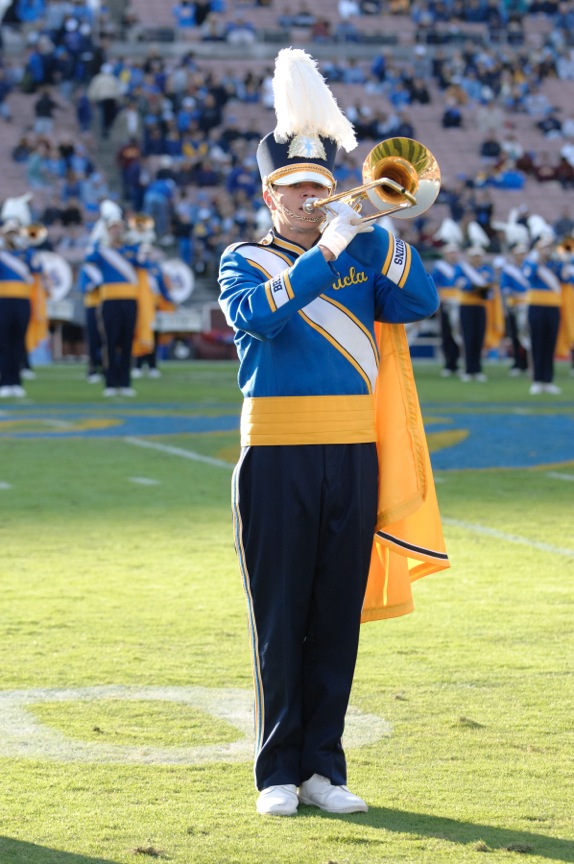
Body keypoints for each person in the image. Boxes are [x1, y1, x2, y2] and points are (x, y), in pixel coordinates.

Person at [218, 48, 449, 819]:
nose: (312, 200)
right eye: (296, 191)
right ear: (269, 195)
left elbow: (423, 302)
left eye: (320, 188)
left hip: (353, 455)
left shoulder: (356, 251)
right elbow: (260, 318)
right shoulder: (242, 258)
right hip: (277, 457)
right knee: (281, 617)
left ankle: (324, 768)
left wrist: (379, 231)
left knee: (334, 616)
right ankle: (276, 771)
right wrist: (328, 249)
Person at [523, 235, 563, 395]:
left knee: (550, 343)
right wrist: (537, 262)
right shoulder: (531, 263)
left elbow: (566, 279)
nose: (547, 250)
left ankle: (548, 380)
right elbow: (527, 276)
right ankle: (537, 380)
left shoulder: (556, 263)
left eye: (549, 247)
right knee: (537, 342)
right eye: (544, 247)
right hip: (536, 306)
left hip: (553, 307)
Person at [454, 245, 495, 382]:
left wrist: (473, 285)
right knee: (468, 338)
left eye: (478, 256)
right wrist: (474, 286)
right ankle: (468, 369)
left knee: (479, 338)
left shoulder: (485, 269)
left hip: (480, 306)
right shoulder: (462, 268)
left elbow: (489, 286)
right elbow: (460, 284)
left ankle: (477, 369)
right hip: (466, 306)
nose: (476, 259)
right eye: (474, 256)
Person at [431, 243, 462, 377]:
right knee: (446, 333)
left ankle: (457, 362)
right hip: (445, 303)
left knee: (458, 333)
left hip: (459, 302)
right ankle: (449, 364)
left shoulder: (461, 267)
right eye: (450, 253)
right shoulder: (440, 267)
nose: (453, 255)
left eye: (455, 252)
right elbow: (434, 285)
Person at [499, 243, 530, 376]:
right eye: (519, 254)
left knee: (529, 336)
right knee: (515, 336)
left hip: (529, 305)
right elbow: (504, 288)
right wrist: (514, 294)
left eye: (523, 254)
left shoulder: (531, 268)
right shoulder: (509, 270)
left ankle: (528, 363)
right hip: (515, 306)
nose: (521, 257)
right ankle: (517, 362)